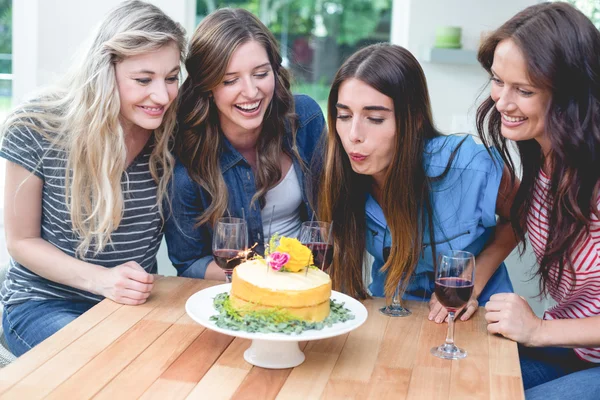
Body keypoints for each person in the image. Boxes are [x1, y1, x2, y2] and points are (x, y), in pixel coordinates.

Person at [0, 0, 186, 356]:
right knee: (109, 365)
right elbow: (21, 242)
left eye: (171, 77)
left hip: (130, 305)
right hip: (44, 305)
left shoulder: (171, 132)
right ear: (104, 71)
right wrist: (102, 280)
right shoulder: (37, 125)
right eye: (143, 79)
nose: (161, 96)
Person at [318, 43, 515, 323]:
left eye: (374, 118)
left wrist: (476, 278)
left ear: (415, 120)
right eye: (344, 115)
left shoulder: (467, 165)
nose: (353, 135)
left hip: (475, 316)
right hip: (391, 313)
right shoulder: (341, 175)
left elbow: (522, 215)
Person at [476, 2, 600, 398]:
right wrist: (474, 279)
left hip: (569, 344)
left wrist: (540, 330)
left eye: (524, 90)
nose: (502, 102)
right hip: (572, 349)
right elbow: (515, 220)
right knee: (457, 381)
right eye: (498, 80)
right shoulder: (543, 154)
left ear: (570, 95)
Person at [164, 8, 325, 281]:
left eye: (261, 74)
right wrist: (264, 277)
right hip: (238, 294)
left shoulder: (305, 121)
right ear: (207, 86)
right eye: (230, 80)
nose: (251, 92)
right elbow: (190, 262)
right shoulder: (186, 163)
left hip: (309, 284)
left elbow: (335, 219)